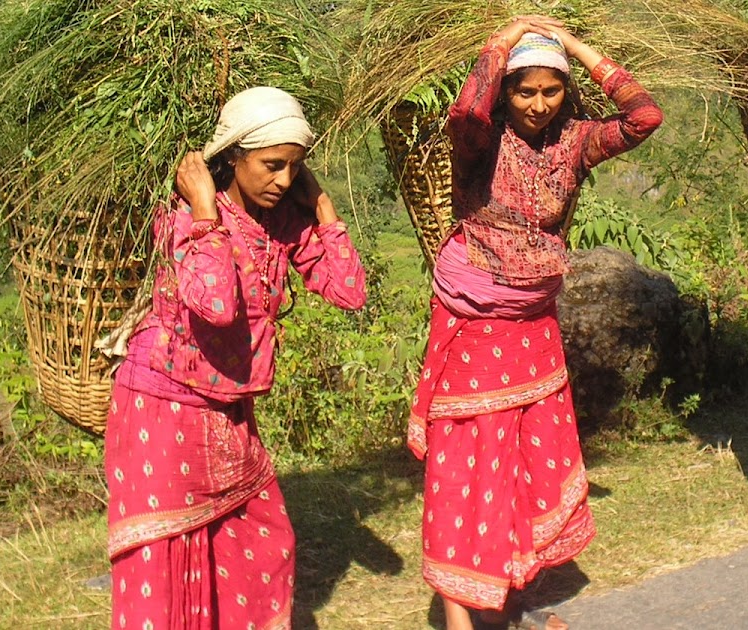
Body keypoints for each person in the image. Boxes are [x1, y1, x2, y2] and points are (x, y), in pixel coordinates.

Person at [406, 15, 662, 630]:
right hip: (476, 321)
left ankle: (509, 590)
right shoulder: (480, 143)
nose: (538, 104)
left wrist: (571, 45)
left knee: (524, 456)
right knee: (467, 459)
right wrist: (501, 44)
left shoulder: (575, 142)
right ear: (505, 92)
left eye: (552, 90)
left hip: (533, 321)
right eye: (525, 90)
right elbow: (465, 113)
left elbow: (643, 117)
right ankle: (463, 614)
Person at [103, 86, 366, 628]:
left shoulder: (281, 222)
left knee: (264, 548)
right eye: (272, 166)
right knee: (167, 574)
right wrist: (204, 207)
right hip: (162, 409)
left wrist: (322, 208)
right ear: (232, 157)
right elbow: (216, 304)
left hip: (229, 415)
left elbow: (349, 290)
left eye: (295, 168)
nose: (284, 181)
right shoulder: (181, 216)